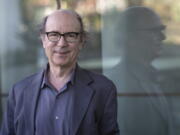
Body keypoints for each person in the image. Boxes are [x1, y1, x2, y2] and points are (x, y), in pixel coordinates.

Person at [0, 9, 119, 135]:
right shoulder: (19, 92)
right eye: (54, 34)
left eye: (70, 35)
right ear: (43, 40)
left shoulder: (103, 89)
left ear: (81, 41)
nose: (62, 43)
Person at [107, 6, 175, 135]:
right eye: (154, 31)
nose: (163, 37)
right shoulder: (116, 84)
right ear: (131, 37)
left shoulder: (150, 76)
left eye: (162, 30)